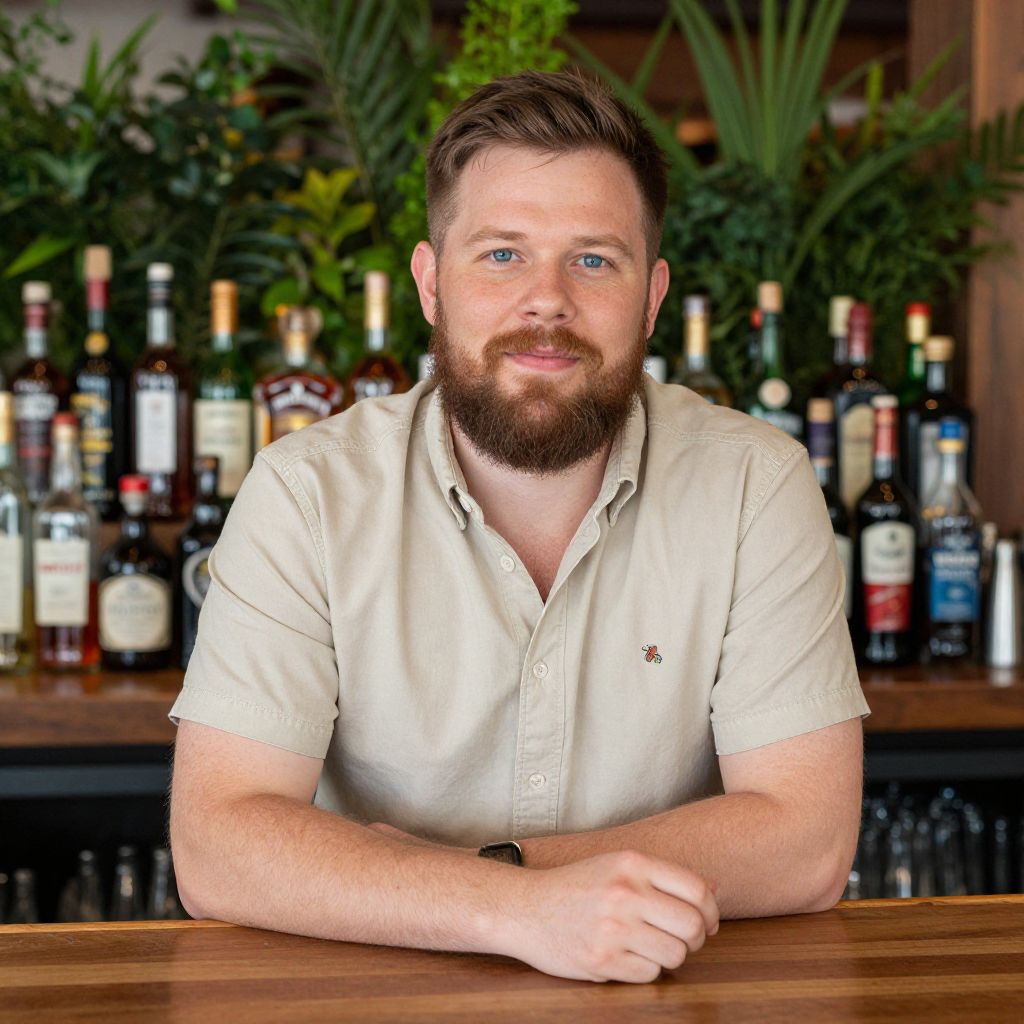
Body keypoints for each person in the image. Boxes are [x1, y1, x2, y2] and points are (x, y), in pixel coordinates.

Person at [169, 70, 870, 985]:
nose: (547, 301)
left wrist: (492, 876)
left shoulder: (754, 485)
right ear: (430, 284)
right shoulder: (307, 494)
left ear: (653, 296)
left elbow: (806, 842)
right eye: (502, 255)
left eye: (594, 259)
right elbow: (219, 842)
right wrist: (521, 911)